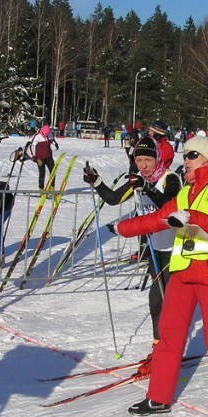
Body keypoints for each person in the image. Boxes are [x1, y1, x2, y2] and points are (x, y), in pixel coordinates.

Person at [114, 136, 208, 417]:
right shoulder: (187, 190)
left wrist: (191, 217)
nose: (186, 160)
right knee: (169, 335)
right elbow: (158, 218)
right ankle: (158, 397)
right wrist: (122, 228)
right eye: (184, 155)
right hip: (184, 272)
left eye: (192, 155)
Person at [83, 137, 182, 367]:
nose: (144, 165)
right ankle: (160, 348)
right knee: (158, 302)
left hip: (175, 249)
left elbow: (170, 206)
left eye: (148, 159)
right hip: (155, 249)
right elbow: (113, 199)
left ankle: (166, 351)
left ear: (158, 159)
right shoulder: (138, 179)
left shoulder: (170, 179)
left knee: (162, 301)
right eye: (139, 160)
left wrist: (147, 188)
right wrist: (96, 181)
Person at [26, 124, 59, 190]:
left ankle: (52, 187)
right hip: (40, 158)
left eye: (48, 134)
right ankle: (41, 189)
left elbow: (52, 140)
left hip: (49, 157)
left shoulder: (50, 134)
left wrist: (55, 144)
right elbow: (32, 146)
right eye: (46, 134)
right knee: (42, 173)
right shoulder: (37, 136)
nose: (47, 135)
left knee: (53, 172)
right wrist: (34, 157)